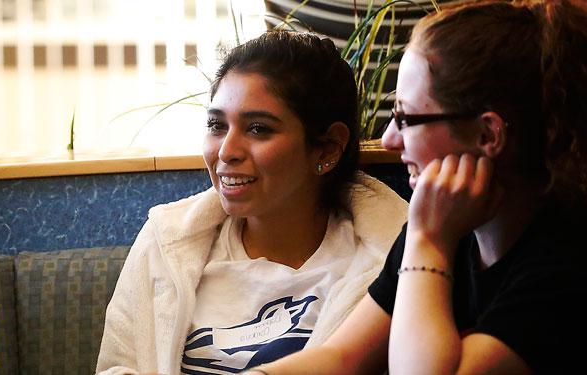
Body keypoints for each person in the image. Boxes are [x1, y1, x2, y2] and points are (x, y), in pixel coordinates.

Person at [249, 1, 587, 373]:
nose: (390, 139)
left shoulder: (566, 258)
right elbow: (341, 358)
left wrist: (429, 243)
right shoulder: (447, 226)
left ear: (487, 134)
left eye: (406, 117)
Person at [94, 30, 408, 374]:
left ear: (328, 148)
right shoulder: (166, 240)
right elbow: (118, 367)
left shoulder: (392, 260)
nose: (226, 152)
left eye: (258, 129)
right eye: (217, 125)